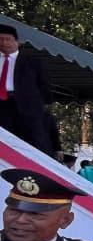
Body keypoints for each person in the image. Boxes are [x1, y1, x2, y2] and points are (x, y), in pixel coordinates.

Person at [0, 25, 54, 156]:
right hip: (1, 105)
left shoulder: (32, 62)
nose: (4, 43)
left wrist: (38, 105)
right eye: (0, 39)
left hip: (27, 107)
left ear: (17, 42)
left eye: (8, 39)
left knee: (33, 142)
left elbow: (44, 86)